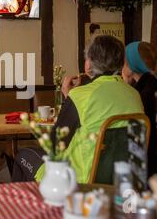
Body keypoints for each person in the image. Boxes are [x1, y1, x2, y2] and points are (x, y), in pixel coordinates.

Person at [12, 35, 144, 183]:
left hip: (80, 180)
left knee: (22, 155)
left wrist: (69, 97)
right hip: (124, 179)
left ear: (90, 64)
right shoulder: (134, 94)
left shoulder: (81, 95)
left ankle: (28, 204)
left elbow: (56, 146)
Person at [121, 41, 157, 177]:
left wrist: (126, 87)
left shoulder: (141, 95)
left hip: (149, 169)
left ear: (131, 65)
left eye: (124, 62)